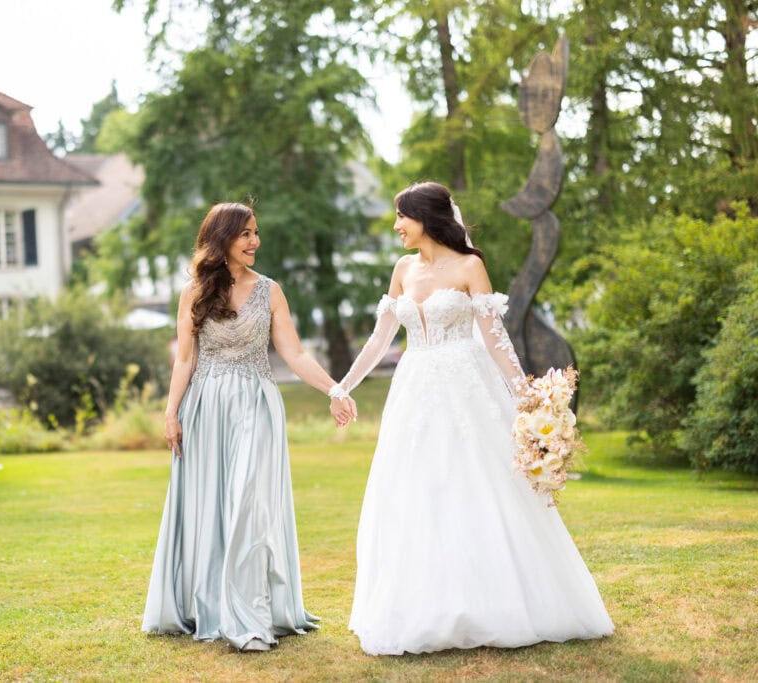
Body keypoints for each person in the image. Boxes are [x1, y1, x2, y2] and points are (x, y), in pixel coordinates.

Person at [329, 181, 614, 656]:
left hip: (465, 387)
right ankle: (423, 606)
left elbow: (496, 338)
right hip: (414, 389)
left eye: (402, 216)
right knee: (416, 491)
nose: (397, 226)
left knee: (477, 485)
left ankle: (496, 602)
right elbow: (381, 339)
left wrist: (529, 399)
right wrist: (343, 386)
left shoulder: (469, 266)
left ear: (425, 217)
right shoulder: (402, 268)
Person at [143, 202, 356, 652]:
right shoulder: (194, 293)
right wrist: (171, 412)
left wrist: (334, 390)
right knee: (212, 504)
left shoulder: (271, 291)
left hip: (256, 405)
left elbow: (295, 355)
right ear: (222, 238)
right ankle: (214, 606)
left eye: (256, 232)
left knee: (247, 503)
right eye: (245, 234)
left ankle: (250, 616)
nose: (254, 241)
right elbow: (185, 358)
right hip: (206, 406)